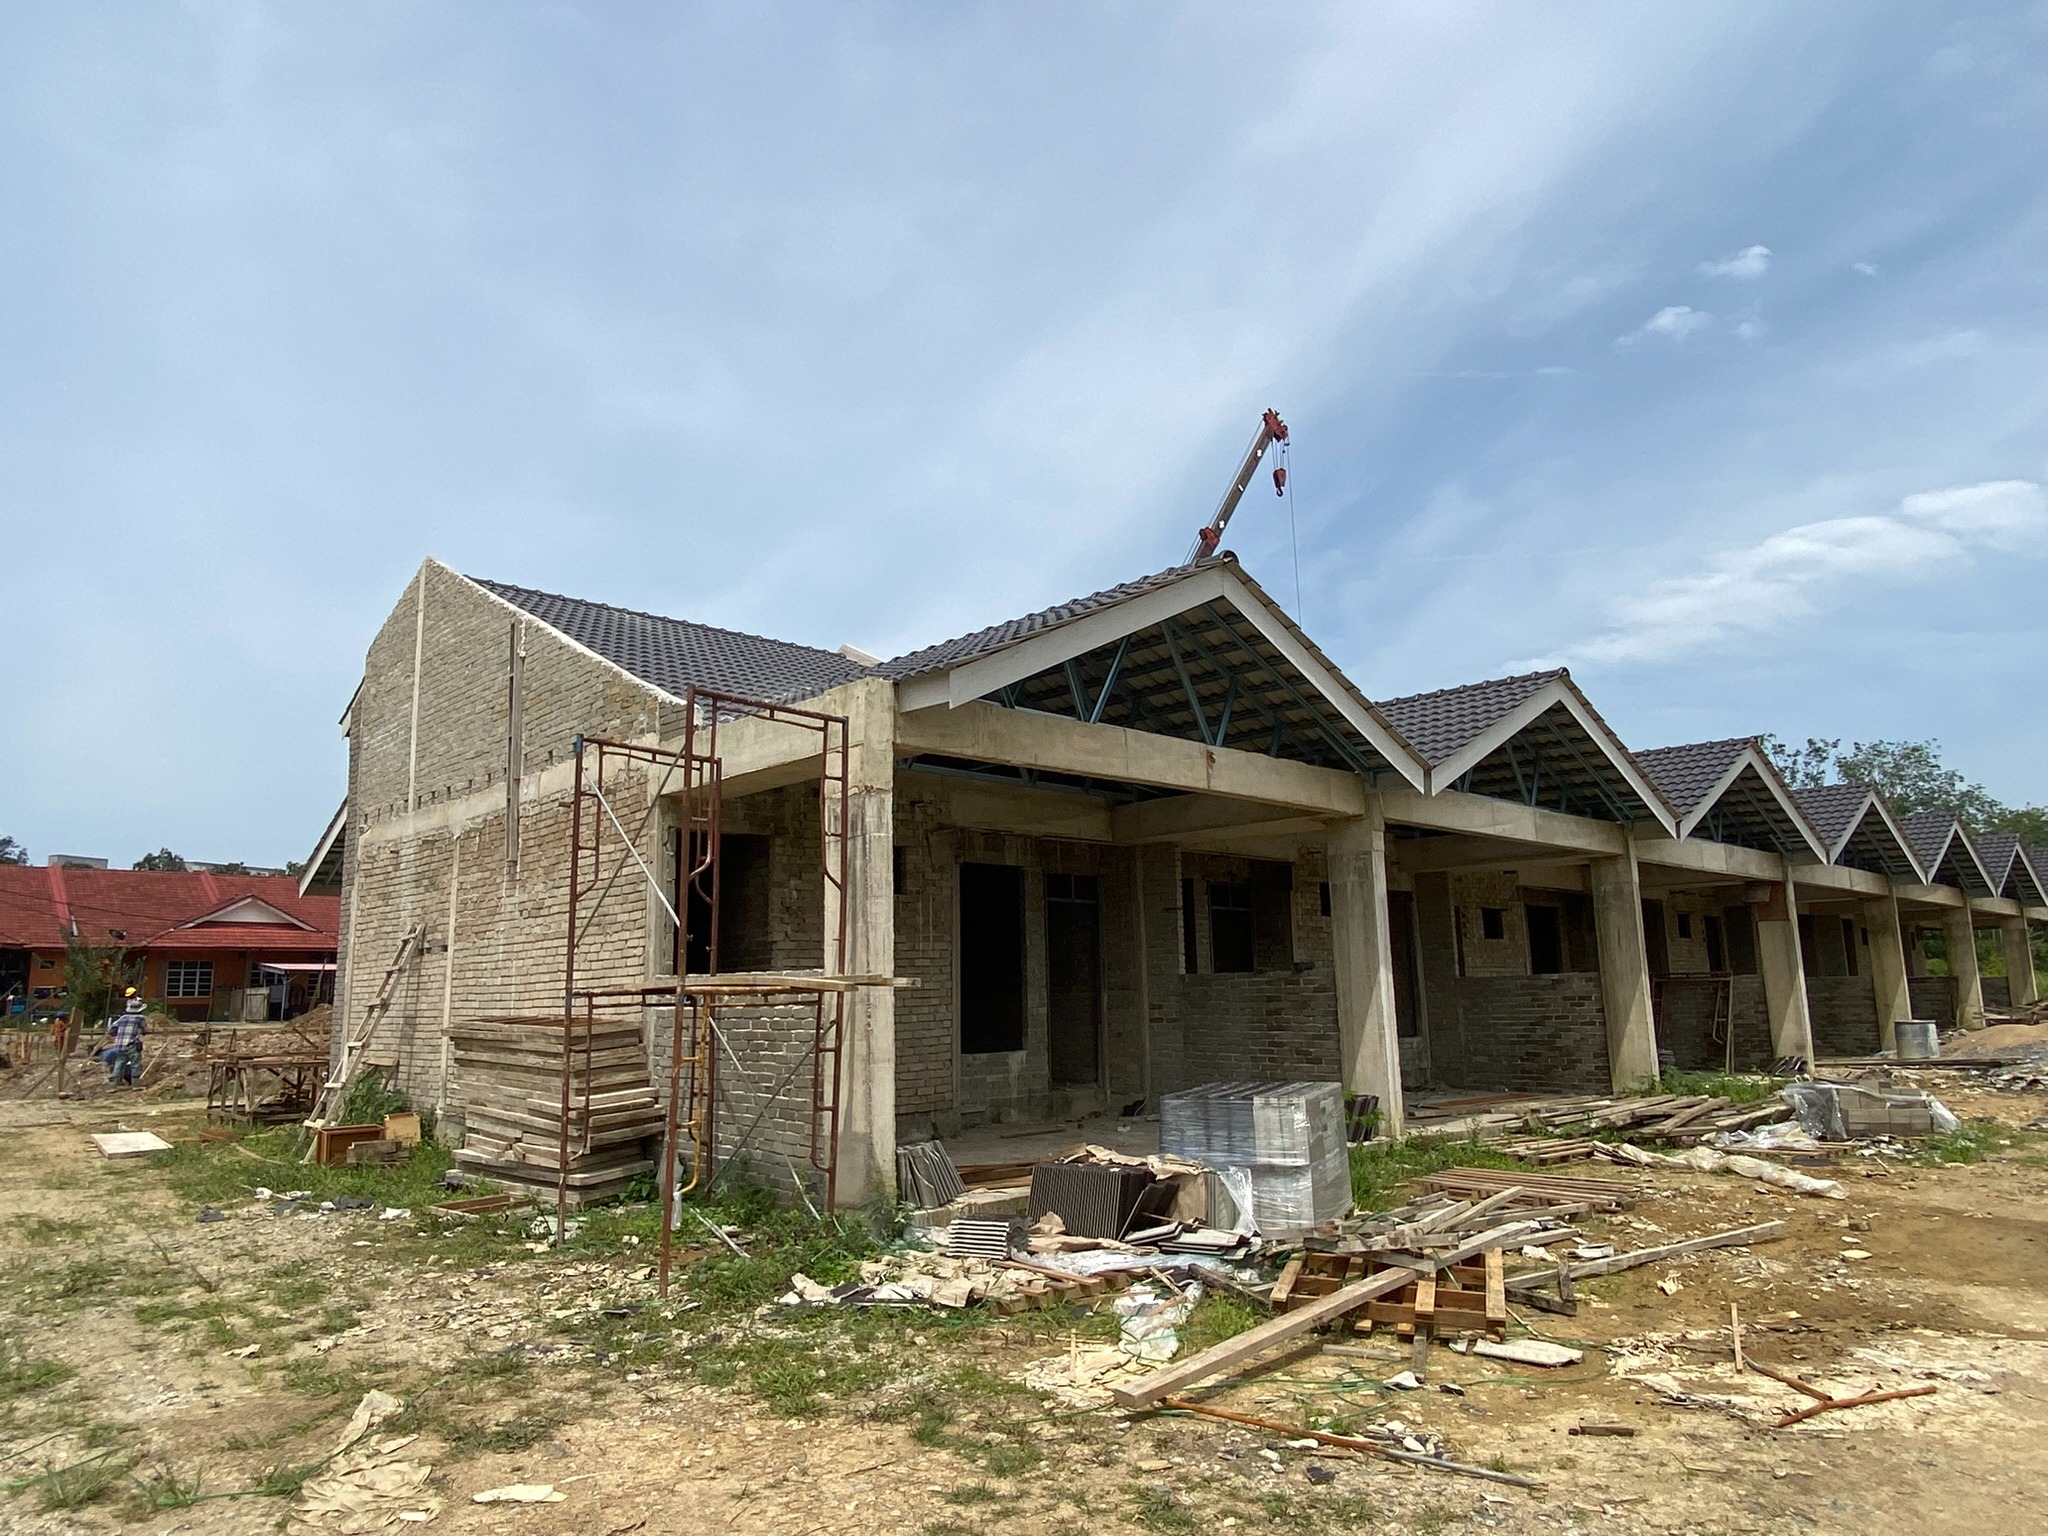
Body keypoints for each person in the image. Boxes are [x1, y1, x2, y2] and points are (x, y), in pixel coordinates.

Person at [105, 992, 147, 1087]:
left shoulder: (122, 1018)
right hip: (131, 1044)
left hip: (119, 1045)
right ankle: (136, 1085)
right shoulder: (140, 1018)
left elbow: (111, 1029)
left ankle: (113, 1084)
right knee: (135, 1064)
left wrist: (118, 1033)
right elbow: (145, 1030)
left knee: (119, 1063)